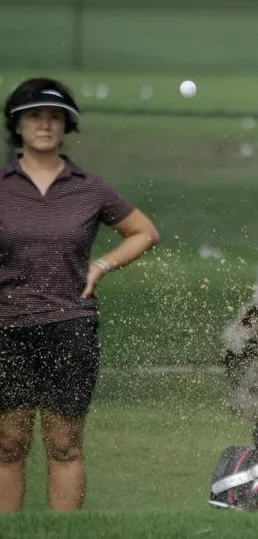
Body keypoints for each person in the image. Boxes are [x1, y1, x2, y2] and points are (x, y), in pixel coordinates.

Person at [0, 78, 160, 512]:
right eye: (35, 115)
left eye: (55, 116)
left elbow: (144, 232)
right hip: (6, 329)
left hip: (70, 327)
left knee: (64, 443)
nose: (46, 124)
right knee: (8, 444)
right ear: (17, 125)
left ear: (67, 125)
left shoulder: (89, 187)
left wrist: (102, 265)